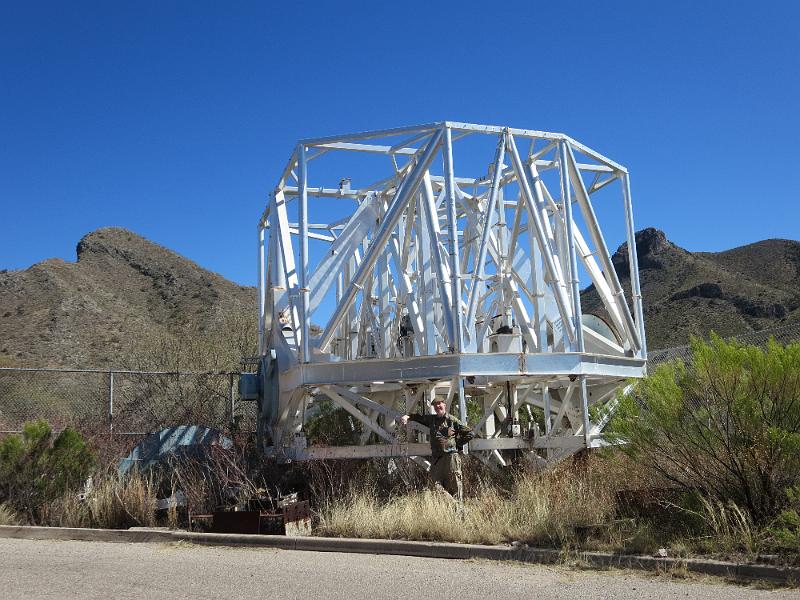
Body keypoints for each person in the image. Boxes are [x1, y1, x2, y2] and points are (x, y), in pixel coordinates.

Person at [398, 397, 473, 502]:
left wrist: (458, 444)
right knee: (435, 486)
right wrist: (407, 417)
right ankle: (455, 505)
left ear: (444, 405)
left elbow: (469, 433)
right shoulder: (432, 420)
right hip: (437, 460)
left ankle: (459, 512)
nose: (438, 407)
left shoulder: (452, 420)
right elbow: (419, 417)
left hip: (450, 458)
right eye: (435, 405)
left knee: (455, 486)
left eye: (440, 404)